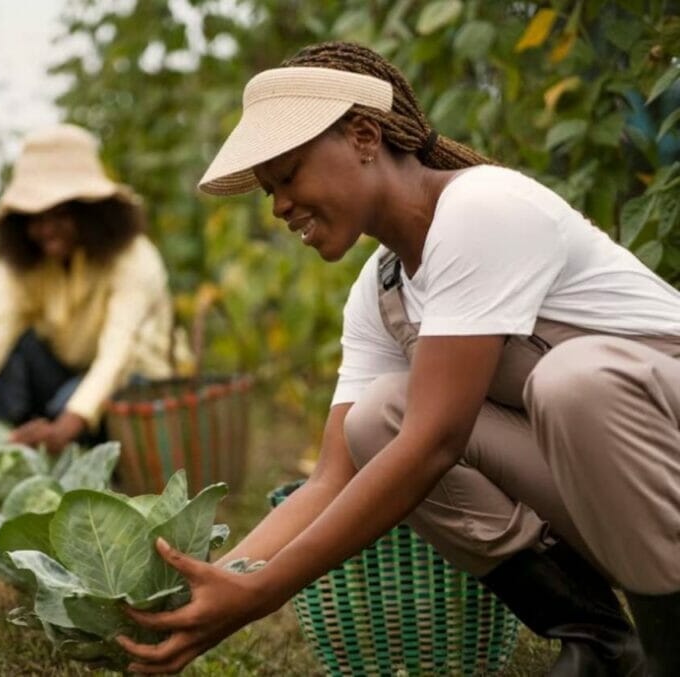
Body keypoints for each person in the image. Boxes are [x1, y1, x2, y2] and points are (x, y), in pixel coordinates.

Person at [116, 42, 680, 676]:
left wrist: (263, 595)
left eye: (290, 174)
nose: (278, 206)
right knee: (376, 422)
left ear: (362, 136)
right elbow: (333, 477)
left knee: (570, 383)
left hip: (664, 456)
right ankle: (601, 642)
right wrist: (213, 587)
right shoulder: (383, 288)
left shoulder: (482, 208)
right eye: (269, 190)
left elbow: (434, 443)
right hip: (620, 500)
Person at [0, 124, 185, 457]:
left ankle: (71, 446)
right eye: (35, 218)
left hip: (134, 383)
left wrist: (66, 425)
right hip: (64, 373)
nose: (45, 230)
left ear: (91, 213)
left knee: (72, 403)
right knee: (3, 359)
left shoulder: (135, 258)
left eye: (60, 215)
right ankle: (28, 446)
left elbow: (118, 354)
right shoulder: (26, 263)